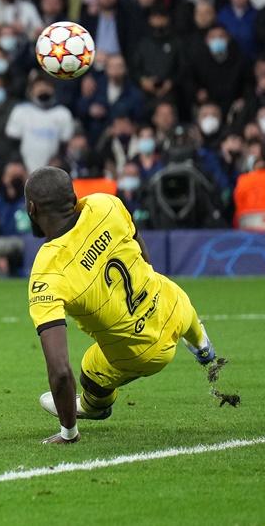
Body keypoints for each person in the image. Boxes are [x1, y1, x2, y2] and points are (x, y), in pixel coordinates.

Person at [25, 167, 218, 444]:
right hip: (173, 304)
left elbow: (60, 370)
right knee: (165, 289)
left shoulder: (47, 271)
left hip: (145, 351)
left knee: (91, 368)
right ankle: (201, 345)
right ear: (74, 197)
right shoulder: (106, 204)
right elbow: (142, 253)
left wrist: (68, 432)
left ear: (32, 208)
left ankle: (92, 407)